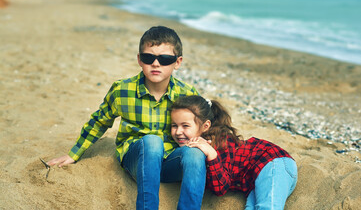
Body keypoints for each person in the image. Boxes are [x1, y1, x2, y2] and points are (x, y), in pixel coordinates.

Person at [47, 26, 206, 210]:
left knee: (195, 152)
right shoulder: (122, 90)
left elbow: (204, 126)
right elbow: (99, 121)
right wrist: (73, 154)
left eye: (164, 59)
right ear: (139, 59)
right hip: (137, 159)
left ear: (177, 62)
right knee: (152, 142)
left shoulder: (187, 94)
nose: (155, 64)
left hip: (171, 163)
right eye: (148, 57)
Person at [170, 95, 298, 210]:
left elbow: (221, 188)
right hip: (255, 180)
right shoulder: (196, 147)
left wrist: (212, 155)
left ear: (205, 126)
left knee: (268, 207)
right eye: (174, 125)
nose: (178, 131)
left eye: (185, 126)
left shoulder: (220, 142)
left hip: (273, 163)